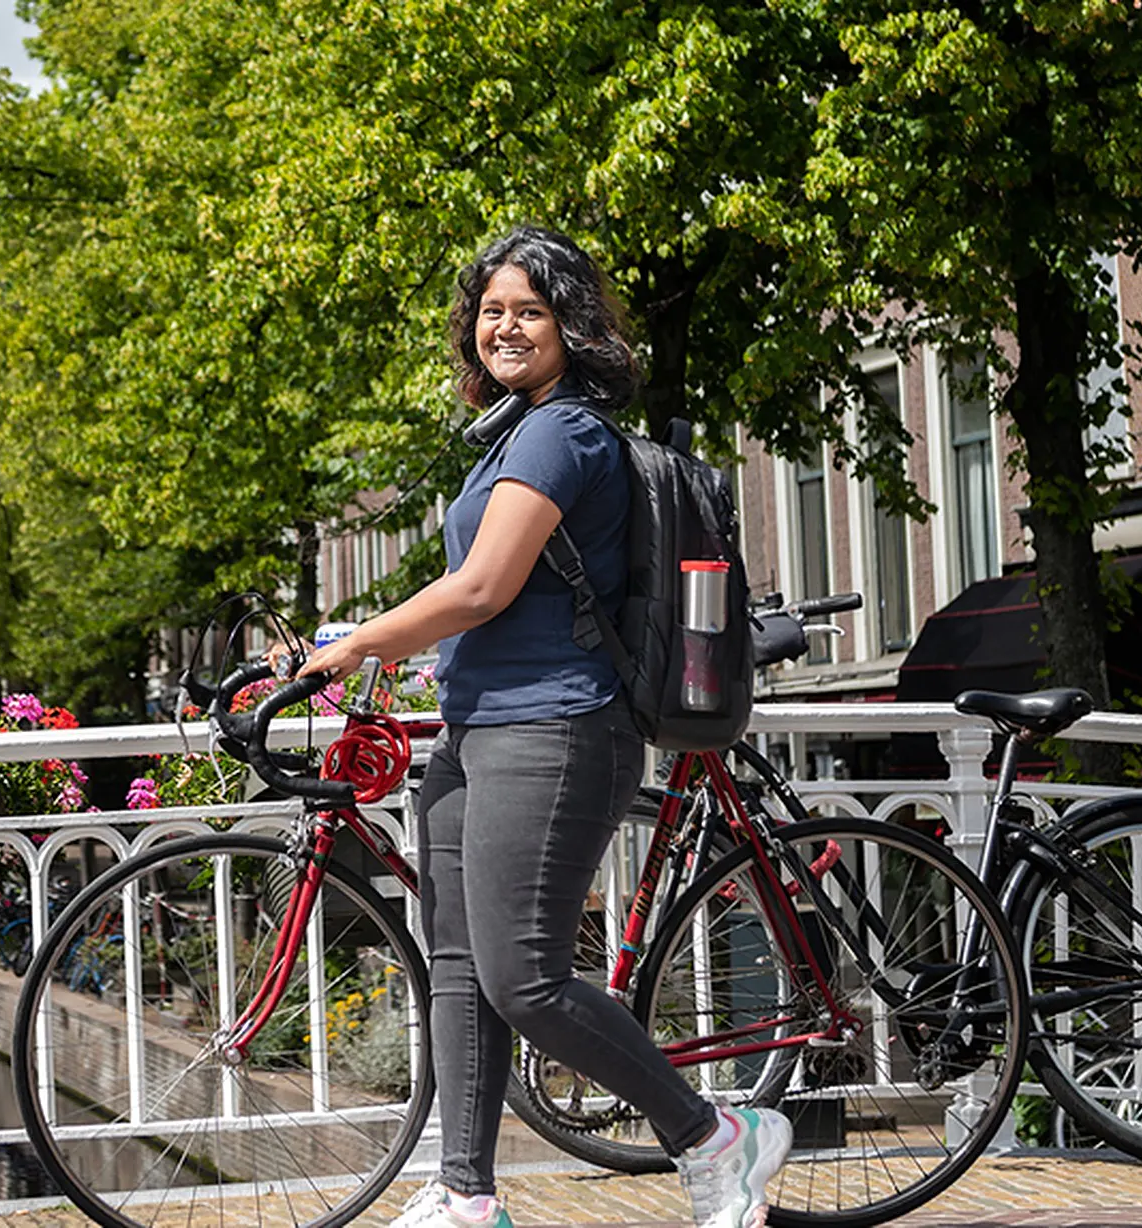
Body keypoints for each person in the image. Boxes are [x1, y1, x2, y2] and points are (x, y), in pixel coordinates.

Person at [296, 225, 790, 1228]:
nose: (505, 326)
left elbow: (480, 587)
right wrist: (349, 633)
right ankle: (465, 1194)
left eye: (528, 309)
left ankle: (712, 1137)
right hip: (476, 728)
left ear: (570, 322)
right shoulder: (512, 435)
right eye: (490, 310)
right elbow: (469, 596)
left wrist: (355, 648)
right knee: (461, 967)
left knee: (523, 975)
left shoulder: (564, 434)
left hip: (556, 727)